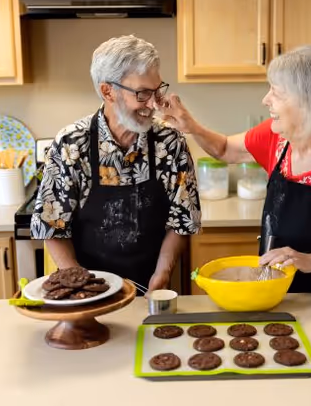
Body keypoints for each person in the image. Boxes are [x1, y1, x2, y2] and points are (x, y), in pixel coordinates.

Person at [157, 45, 311, 293]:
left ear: (307, 101)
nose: (265, 100)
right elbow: (225, 150)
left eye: (276, 93)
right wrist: (190, 125)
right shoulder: (279, 136)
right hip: (275, 290)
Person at [30, 35, 201, 294]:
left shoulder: (170, 144)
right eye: (143, 93)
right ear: (108, 91)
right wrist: (79, 285)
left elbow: (182, 221)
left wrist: (163, 273)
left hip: (151, 286)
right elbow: (51, 226)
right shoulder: (72, 144)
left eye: (157, 91)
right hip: (86, 289)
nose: (154, 104)